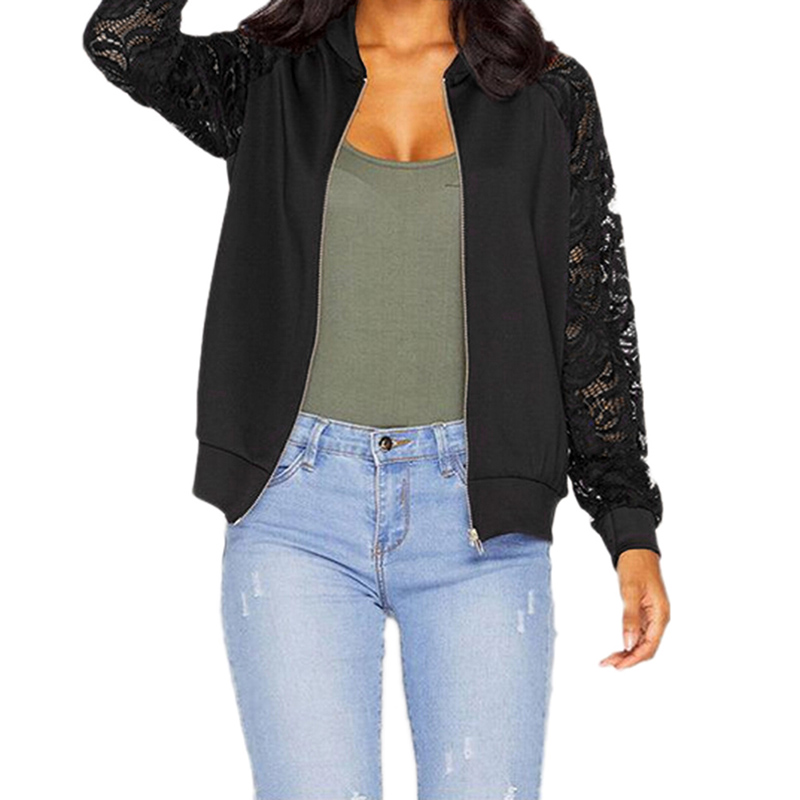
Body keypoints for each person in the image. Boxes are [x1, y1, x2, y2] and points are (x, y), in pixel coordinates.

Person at [82, 0, 671, 797]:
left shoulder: (546, 92)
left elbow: (589, 314)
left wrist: (629, 527)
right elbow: (124, 43)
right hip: (295, 512)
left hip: (482, 524)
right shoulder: (269, 72)